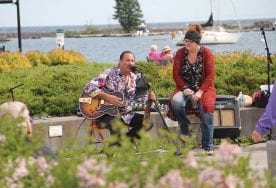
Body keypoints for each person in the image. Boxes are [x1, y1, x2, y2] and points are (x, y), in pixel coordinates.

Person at [82, 51, 156, 142]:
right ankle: (116, 147)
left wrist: (149, 103)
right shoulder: (109, 74)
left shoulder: (136, 79)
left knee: (148, 123)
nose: (131, 63)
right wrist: (108, 97)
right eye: (128, 60)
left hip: (126, 115)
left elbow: (141, 101)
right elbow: (87, 87)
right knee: (116, 124)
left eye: (132, 61)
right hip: (104, 114)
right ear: (120, 61)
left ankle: (122, 144)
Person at [167, 24, 216, 155]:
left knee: (207, 107)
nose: (187, 44)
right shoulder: (180, 53)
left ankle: (208, 145)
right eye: (186, 41)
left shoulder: (206, 53)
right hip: (184, 88)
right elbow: (176, 75)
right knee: (176, 102)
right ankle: (186, 134)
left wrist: (200, 92)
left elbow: (211, 75)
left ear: (197, 42)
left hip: (204, 89)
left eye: (190, 41)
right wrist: (184, 88)